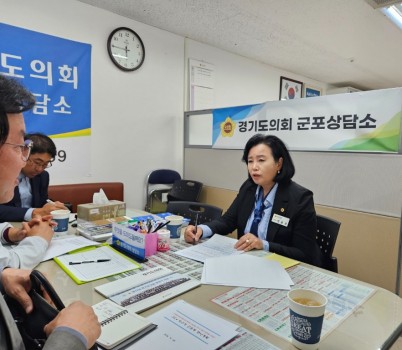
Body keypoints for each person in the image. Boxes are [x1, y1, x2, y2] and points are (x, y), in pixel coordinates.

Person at [0, 74, 100, 349]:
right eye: (22, 147)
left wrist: (12, 235)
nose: (27, 161)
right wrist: (71, 337)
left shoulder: (40, 178)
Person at [184, 134, 322, 266]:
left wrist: (263, 245)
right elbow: (228, 221)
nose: (254, 167)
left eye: (261, 160)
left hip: (280, 269)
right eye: (250, 161)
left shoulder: (300, 198)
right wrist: (201, 230)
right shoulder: (249, 188)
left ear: (279, 163)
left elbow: (304, 254)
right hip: (247, 262)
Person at [0, 132, 67, 223]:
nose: (39, 169)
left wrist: (52, 205)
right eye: (37, 162)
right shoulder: (3, 174)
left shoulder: (43, 176)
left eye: (45, 164)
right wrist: (33, 212)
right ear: (24, 154)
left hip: (34, 225)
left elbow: (42, 201)